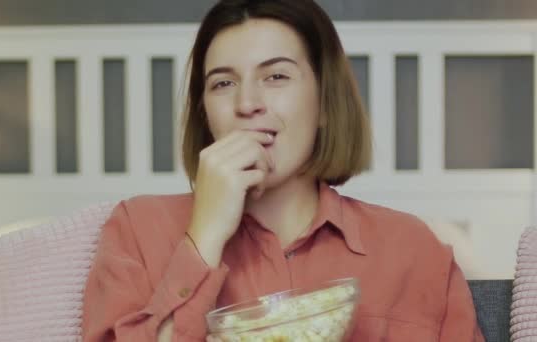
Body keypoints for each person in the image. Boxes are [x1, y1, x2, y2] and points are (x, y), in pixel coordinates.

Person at [81, 0, 485, 340]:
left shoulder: (414, 249)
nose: (247, 103)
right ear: (206, 116)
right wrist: (204, 237)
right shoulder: (136, 229)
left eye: (276, 76)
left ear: (326, 103)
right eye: (223, 83)